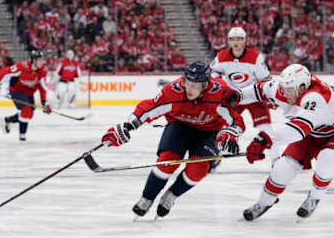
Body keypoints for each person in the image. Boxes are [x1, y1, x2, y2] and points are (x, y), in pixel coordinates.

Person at [101, 61, 245, 219]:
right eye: (187, 83)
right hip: (180, 127)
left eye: (195, 86)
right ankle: (147, 197)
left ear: (205, 85)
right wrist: (128, 126)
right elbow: (149, 107)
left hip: (209, 132)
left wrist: (232, 133)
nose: (189, 89)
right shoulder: (173, 92)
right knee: (167, 161)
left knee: (198, 170)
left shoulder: (219, 94)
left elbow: (236, 120)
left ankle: (171, 195)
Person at [240, 64, 334, 220]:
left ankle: (314, 197)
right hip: (313, 129)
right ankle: (264, 202)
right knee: (282, 167)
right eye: (283, 88)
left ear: (302, 87)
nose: (284, 93)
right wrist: (236, 95)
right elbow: (259, 89)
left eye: (288, 90)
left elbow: (297, 130)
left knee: (327, 159)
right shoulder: (288, 87)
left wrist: (265, 140)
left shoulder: (316, 97)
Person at [210, 27, 273, 168]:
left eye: (239, 39)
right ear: (229, 41)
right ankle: (215, 156)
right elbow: (214, 74)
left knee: (266, 127)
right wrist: (218, 86)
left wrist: (268, 97)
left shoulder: (255, 57)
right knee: (224, 126)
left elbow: (266, 79)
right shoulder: (221, 56)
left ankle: (277, 160)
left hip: (253, 96)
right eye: (232, 39)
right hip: (234, 97)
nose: (236, 42)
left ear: (244, 40)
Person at [0, 50, 52, 141]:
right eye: (40, 60)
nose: (43, 62)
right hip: (16, 91)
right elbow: (4, 72)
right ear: (33, 61)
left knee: (30, 114)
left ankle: (8, 119)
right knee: (26, 109)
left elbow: (43, 89)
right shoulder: (21, 67)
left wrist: (45, 103)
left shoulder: (42, 73)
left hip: (29, 93)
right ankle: (22, 135)